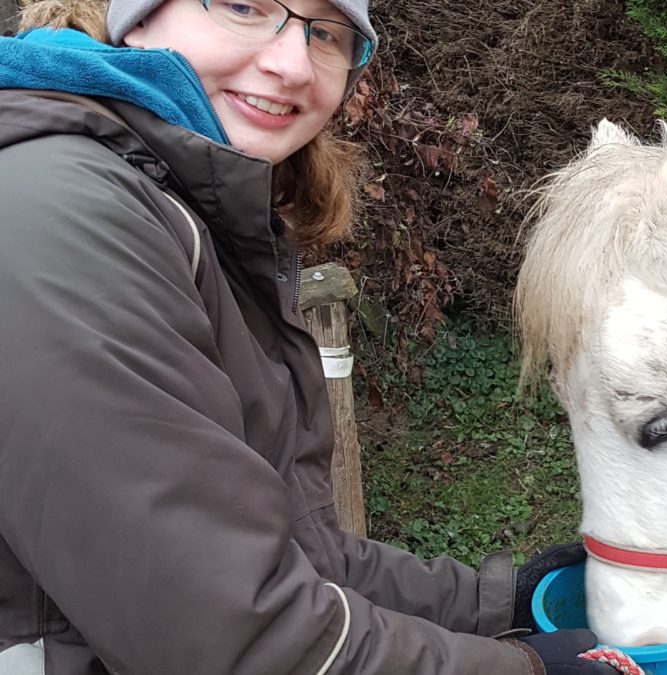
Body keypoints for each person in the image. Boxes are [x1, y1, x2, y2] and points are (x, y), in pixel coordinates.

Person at [0, 1, 617, 673]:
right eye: (243, 6)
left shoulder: (185, 213)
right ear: (138, 17)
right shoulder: (60, 214)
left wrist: (502, 603)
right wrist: (532, 669)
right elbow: (232, 639)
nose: (292, 63)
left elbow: (297, 554)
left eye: (326, 33)